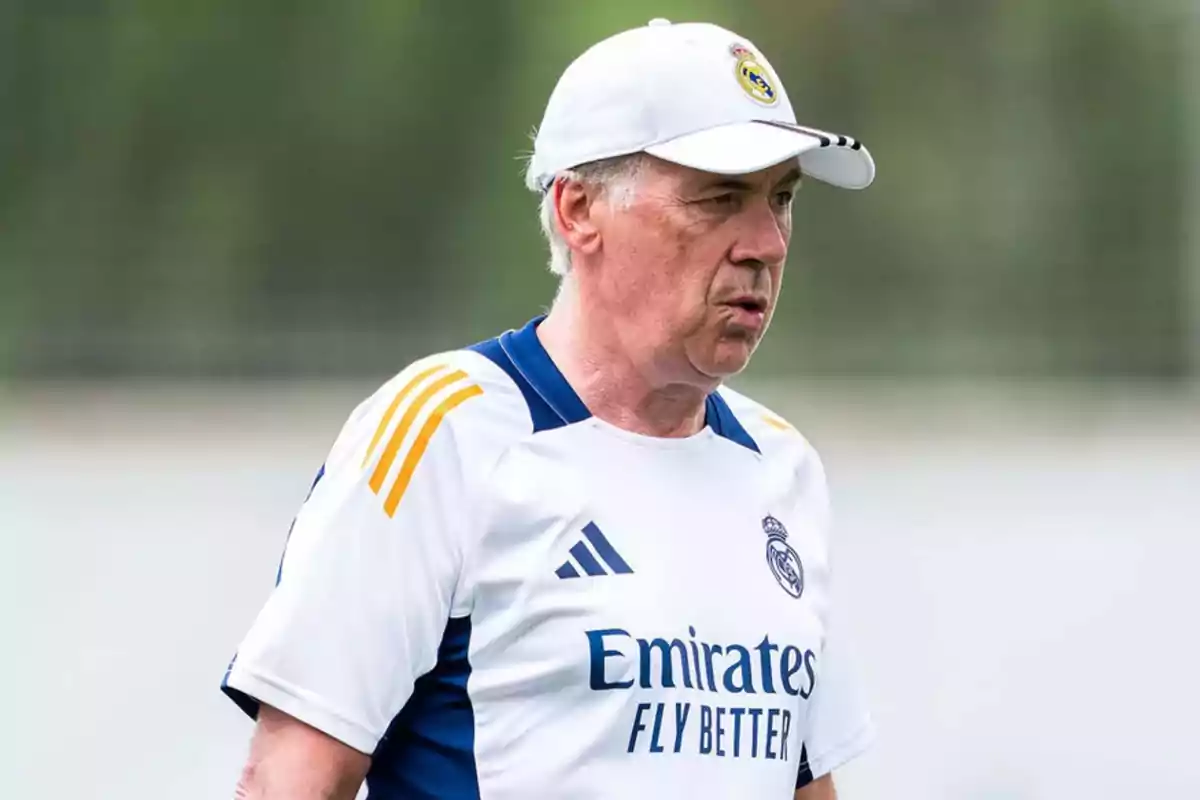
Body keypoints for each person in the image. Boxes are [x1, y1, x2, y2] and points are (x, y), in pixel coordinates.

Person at [223, 18, 877, 800]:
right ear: (578, 210)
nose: (765, 242)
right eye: (719, 198)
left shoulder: (784, 466)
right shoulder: (444, 430)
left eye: (782, 199)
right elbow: (288, 783)